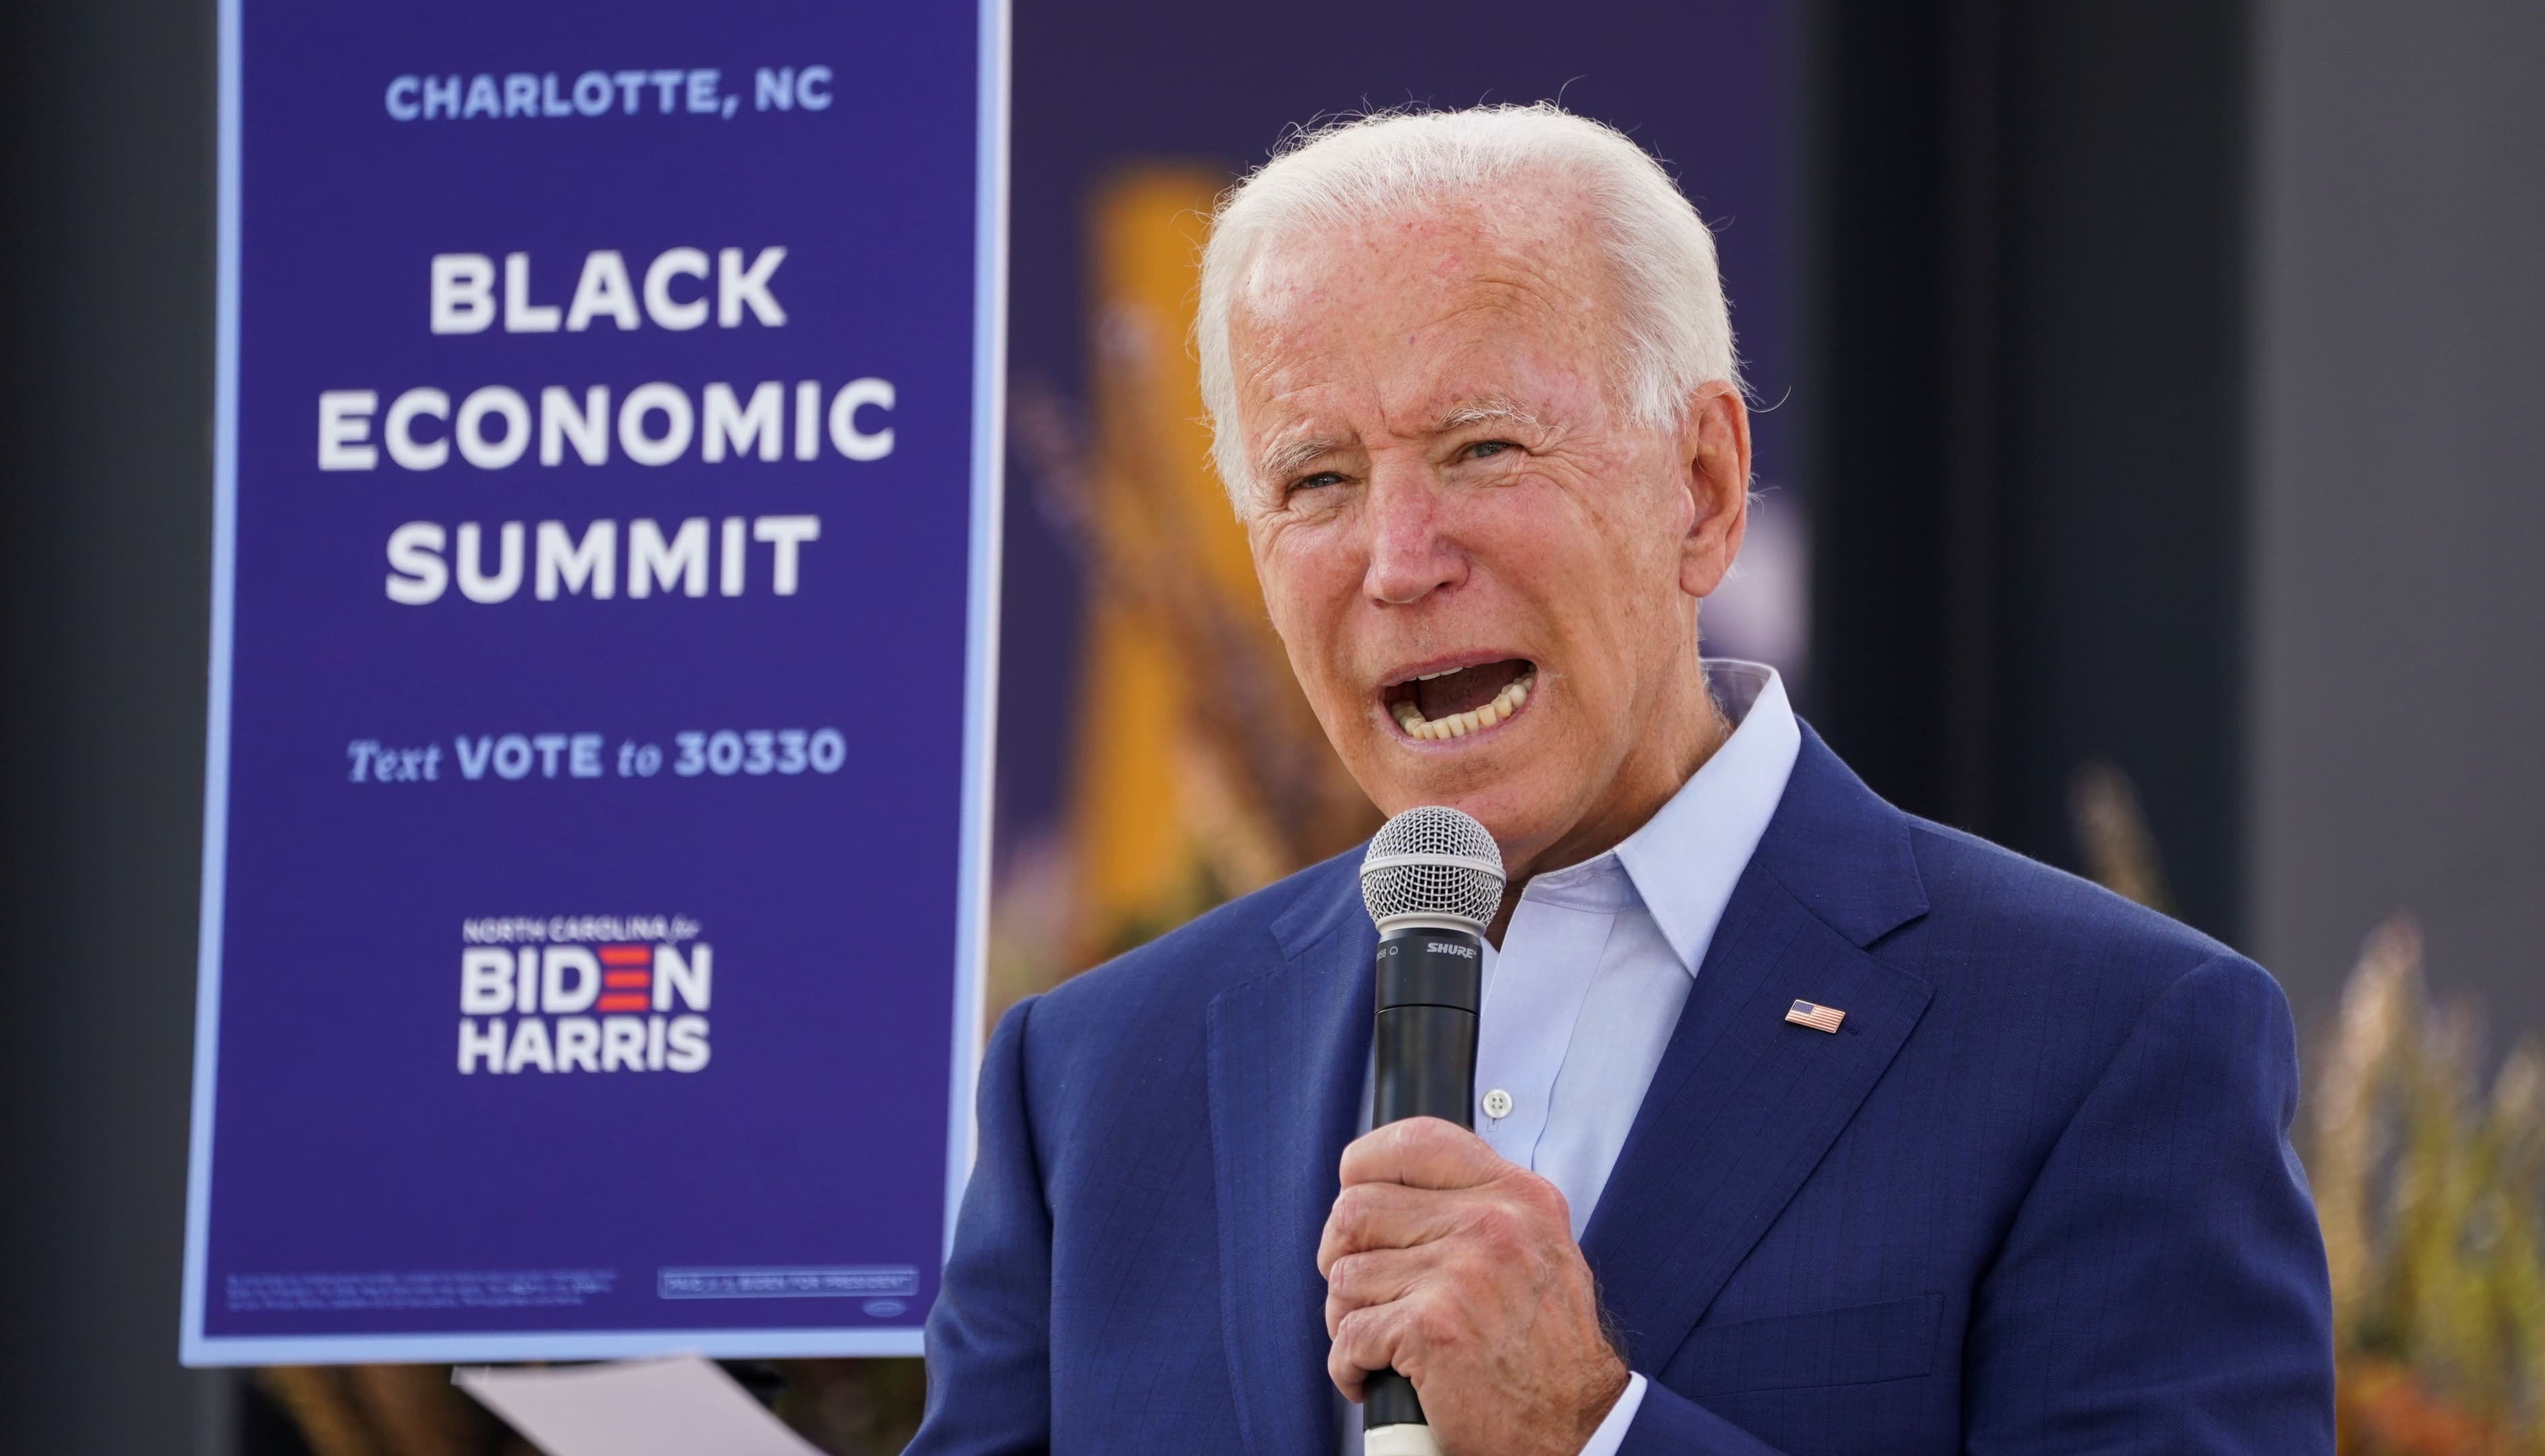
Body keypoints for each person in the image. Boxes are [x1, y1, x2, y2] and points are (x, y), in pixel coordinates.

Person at [910, 104, 2333, 1455]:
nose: (1400, 561)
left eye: (1482, 449)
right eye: (1317, 483)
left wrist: (1589, 1428)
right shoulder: (1090, 1084)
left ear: (1703, 490)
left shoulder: (2110, 1043)